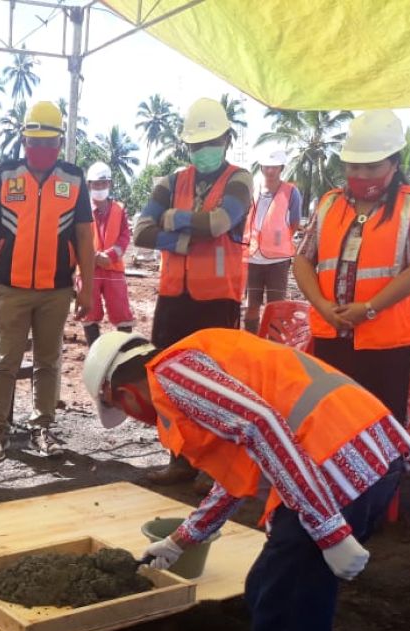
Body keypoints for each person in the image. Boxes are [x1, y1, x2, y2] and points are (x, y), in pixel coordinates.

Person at [82, 328, 410, 631]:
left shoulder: (174, 375)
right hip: (355, 456)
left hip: (340, 468)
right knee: (265, 593)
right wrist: (182, 539)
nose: (137, 422)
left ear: (124, 392)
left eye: (126, 412)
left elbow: (261, 425)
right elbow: (241, 468)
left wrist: (329, 530)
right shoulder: (196, 367)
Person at [293, 109, 410, 424]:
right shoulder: (330, 203)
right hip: (331, 333)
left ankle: (382, 475)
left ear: (394, 164)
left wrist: (370, 308)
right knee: (330, 421)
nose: (361, 175)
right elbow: (303, 259)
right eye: (354, 166)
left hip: (385, 342)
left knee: (377, 425)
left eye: (372, 167)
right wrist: (321, 305)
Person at [133, 97, 252, 483]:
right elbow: (141, 232)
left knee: (215, 384)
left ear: (226, 139)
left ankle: (214, 466)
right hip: (174, 299)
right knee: (170, 381)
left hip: (218, 300)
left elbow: (219, 222)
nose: (204, 151)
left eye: (211, 142)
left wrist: (171, 218)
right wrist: (183, 239)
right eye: (197, 145)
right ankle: (179, 458)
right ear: (187, 146)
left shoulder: (239, 179)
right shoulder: (170, 181)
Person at [0, 100, 94, 463]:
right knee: (5, 361)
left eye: (48, 143)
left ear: (59, 143)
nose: (41, 150)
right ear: (24, 141)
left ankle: (42, 428)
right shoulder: (5, 176)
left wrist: (87, 285)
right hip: (11, 288)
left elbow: (85, 237)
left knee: (47, 362)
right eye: (34, 142)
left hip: (56, 289)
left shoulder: (73, 179)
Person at [243, 149, 302, 332]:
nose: (270, 171)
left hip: (278, 261)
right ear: (261, 167)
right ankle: (251, 340)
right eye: (267, 167)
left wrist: (277, 241)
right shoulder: (252, 190)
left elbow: (294, 222)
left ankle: (273, 342)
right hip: (252, 258)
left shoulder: (291, 192)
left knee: (276, 306)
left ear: (281, 168)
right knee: (251, 305)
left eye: (274, 167)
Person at [81, 161, 133, 345]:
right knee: (89, 313)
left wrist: (110, 256)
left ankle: (124, 355)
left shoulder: (119, 209)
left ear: (110, 184)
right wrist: (94, 256)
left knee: (122, 313)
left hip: (114, 268)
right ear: (89, 185)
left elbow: (124, 237)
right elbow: (76, 236)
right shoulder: (81, 208)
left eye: (104, 183)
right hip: (88, 270)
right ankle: (95, 354)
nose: (100, 187)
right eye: (96, 184)